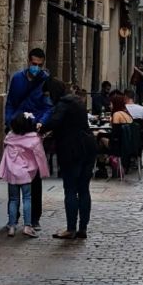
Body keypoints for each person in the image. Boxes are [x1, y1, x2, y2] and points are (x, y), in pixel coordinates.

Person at [5, 46, 52, 228]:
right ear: (29, 61)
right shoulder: (17, 78)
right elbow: (10, 102)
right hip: (17, 129)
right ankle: (13, 216)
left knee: (34, 176)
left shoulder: (45, 80)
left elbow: (48, 106)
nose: (36, 67)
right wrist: (10, 121)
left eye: (39, 65)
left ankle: (34, 217)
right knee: (13, 173)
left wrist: (41, 123)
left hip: (34, 131)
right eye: (33, 64)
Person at [48, 81, 97, 242]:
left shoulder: (63, 104)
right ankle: (83, 228)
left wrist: (41, 126)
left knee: (70, 189)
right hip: (88, 146)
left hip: (72, 149)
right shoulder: (77, 101)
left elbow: (54, 122)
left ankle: (71, 229)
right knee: (84, 189)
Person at [0, 112, 50, 237]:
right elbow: (40, 156)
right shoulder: (34, 138)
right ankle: (27, 226)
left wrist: (2, 171)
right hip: (26, 173)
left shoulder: (10, 137)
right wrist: (43, 171)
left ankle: (12, 226)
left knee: (13, 200)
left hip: (12, 174)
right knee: (27, 199)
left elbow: (5, 156)